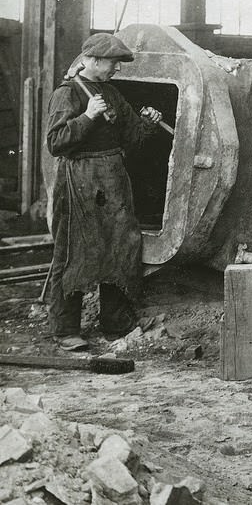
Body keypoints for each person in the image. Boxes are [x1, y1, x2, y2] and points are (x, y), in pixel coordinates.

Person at [46, 33, 164, 351]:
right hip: (79, 179)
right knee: (74, 251)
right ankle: (65, 328)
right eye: (113, 63)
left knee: (121, 245)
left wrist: (147, 123)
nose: (117, 69)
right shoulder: (67, 93)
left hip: (112, 178)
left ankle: (115, 323)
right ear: (94, 60)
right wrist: (87, 117)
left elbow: (133, 139)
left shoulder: (111, 93)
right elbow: (55, 143)